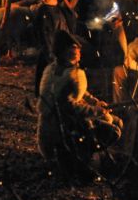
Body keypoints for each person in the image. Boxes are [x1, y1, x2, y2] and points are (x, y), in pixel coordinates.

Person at [37, 30, 123, 178]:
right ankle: (85, 158)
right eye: (74, 49)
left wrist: (96, 102)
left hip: (64, 121)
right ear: (64, 52)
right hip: (63, 128)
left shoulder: (54, 68)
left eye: (77, 49)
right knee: (114, 130)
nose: (78, 52)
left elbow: (80, 93)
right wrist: (96, 110)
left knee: (116, 121)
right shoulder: (68, 75)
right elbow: (68, 106)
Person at [32, 0, 75, 96]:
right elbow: (46, 37)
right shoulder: (44, 13)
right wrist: (52, 58)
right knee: (48, 87)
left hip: (61, 54)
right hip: (51, 55)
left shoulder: (59, 9)